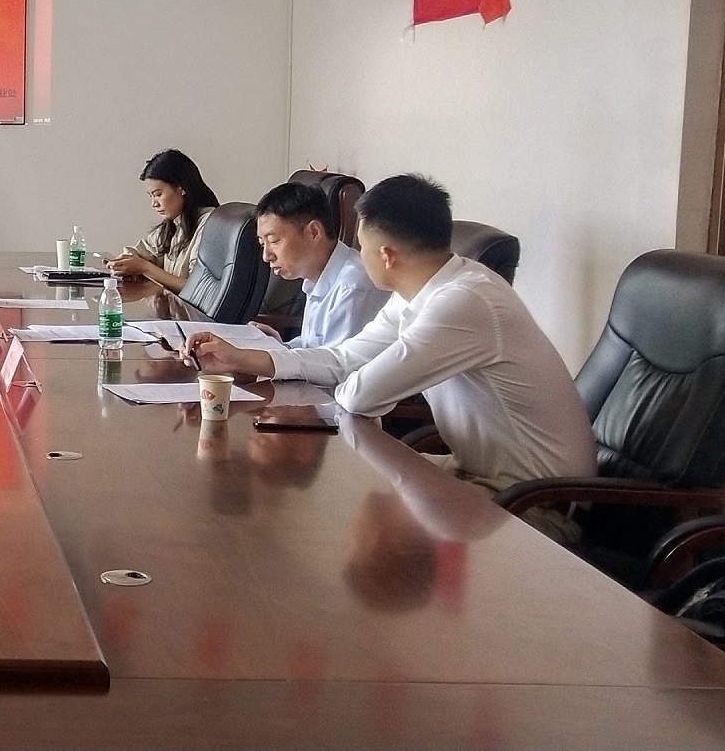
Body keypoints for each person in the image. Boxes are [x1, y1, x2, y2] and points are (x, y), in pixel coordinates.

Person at [183, 174, 595, 539]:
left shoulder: (463, 302)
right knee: (344, 501)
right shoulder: (423, 292)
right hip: (481, 477)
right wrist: (246, 360)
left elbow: (359, 395)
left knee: (346, 513)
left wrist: (347, 383)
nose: (355, 254)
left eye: (361, 246)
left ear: (387, 255)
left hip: (534, 506)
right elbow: (345, 357)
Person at [250, 182, 390, 348]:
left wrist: (277, 355)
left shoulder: (352, 287)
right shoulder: (315, 277)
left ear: (314, 232)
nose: (266, 256)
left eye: (274, 241)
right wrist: (281, 347)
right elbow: (315, 347)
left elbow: (336, 361)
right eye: (262, 244)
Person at [106, 150, 220, 293]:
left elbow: (197, 288)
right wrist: (123, 262)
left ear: (182, 188)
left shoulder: (210, 223)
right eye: (151, 196)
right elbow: (144, 251)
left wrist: (144, 267)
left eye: (158, 194)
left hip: (189, 308)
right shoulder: (173, 224)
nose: (154, 204)